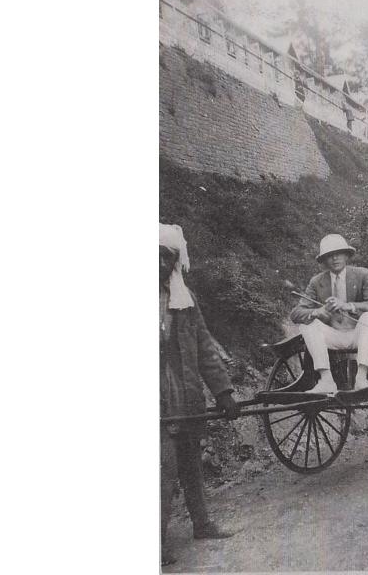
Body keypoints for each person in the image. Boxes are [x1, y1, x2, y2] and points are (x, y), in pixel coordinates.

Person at [159, 224, 240, 566]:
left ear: (175, 262)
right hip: (155, 396)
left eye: (167, 257)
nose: (160, 263)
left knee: (190, 461)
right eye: (154, 256)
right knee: (162, 466)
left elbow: (205, 347)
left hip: (186, 393)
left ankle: (202, 523)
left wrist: (223, 393)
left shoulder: (184, 299)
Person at [290, 234, 368, 393]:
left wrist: (347, 306)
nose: (334, 258)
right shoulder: (317, 281)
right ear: (324, 261)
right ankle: (326, 380)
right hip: (333, 336)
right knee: (309, 324)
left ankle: (361, 378)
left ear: (347, 255)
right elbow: (296, 313)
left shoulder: (362, 274)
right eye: (329, 256)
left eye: (338, 253)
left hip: (358, 335)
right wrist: (317, 312)